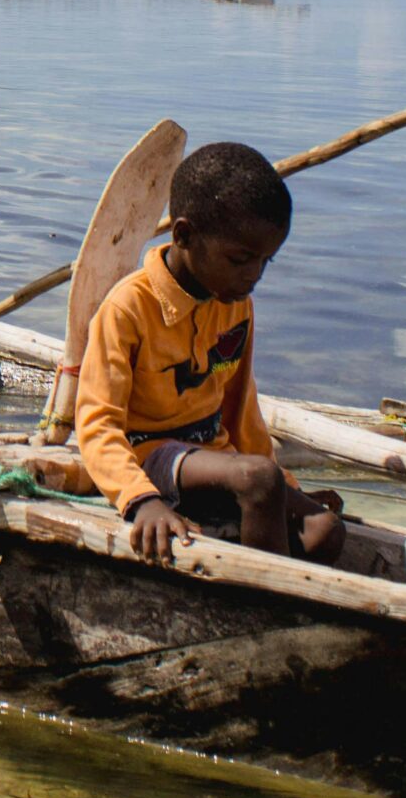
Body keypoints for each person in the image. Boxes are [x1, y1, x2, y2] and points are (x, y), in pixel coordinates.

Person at [75, 142, 344, 564]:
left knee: (325, 529)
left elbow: (241, 409)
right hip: (149, 455)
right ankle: (267, 604)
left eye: (265, 262)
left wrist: (285, 485)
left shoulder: (235, 304)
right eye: (240, 259)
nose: (253, 276)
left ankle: (278, 578)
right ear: (183, 235)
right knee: (257, 480)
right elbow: (96, 424)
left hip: (214, 459)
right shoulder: (128, 308)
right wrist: (140, 500)